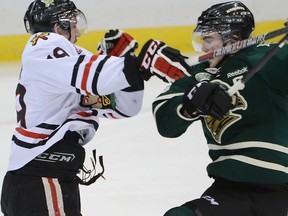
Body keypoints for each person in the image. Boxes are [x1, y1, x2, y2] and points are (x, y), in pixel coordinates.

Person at [0, 0, 189, 215]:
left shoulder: (68, 62)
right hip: (42, 178)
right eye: (72, 24)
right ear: (56, 26)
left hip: (44, 179)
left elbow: (123, 107)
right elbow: (94, 77)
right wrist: (137, 64)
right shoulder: (43, 44)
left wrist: (127, 66)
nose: (78, 32)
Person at [152, 1, 288, 216]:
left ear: (233, 38)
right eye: (202, 39)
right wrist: (190, 104)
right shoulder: (198, 75)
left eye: (209, 39)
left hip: (281, 191)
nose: (204, 48)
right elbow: (165, 123)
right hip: (228, 191)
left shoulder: (266, 59)